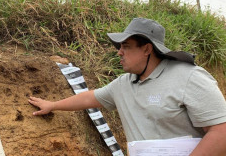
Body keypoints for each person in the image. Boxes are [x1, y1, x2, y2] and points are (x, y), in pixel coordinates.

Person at [28, 18, 226, 155]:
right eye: (119, 47)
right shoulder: (124, 84)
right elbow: (90, 97)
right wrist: (53, 105)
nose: (119, 52)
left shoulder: (189, 77)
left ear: (147, 49)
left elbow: (221, 132)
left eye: (126, 47)